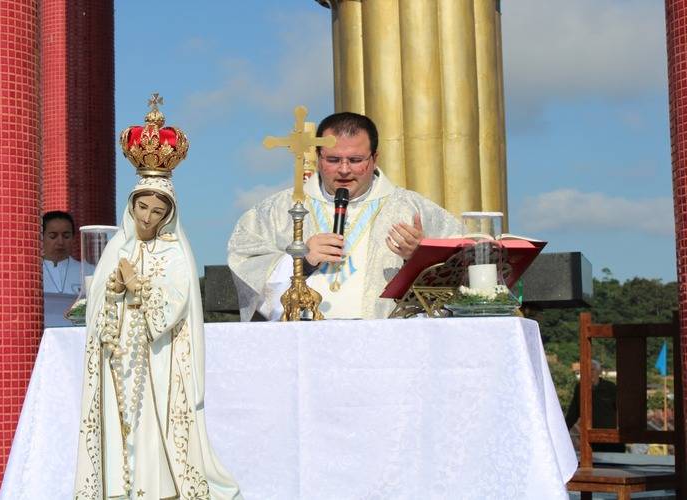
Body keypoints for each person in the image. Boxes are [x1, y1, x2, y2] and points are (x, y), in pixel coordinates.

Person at [74, 102, 241, 499]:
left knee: (152, 426)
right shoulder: (116, 248)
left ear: (169, 213)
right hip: (118, 360)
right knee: (120, 425)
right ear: (131, 206)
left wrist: (137, 286)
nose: (148, 217)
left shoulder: (174, 252)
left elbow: (170, 309)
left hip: (158, 361)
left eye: (157, 209)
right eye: (142, 207)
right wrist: (112, 294)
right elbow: (95, 304)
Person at [228, 112, 463, 320]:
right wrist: (301, 261)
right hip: (303, 339)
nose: (343, 169)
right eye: (333, 160)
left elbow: (464, 258)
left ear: (374, 159)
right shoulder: (278, 210)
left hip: (383, 342)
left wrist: (420, 256)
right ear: (319, 157)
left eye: (355, 160)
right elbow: (244, 261)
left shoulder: (412, 209)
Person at [565, 360, 625, 452]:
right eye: (586, 370)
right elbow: (573, 412)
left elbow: (622, 410)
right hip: (589, 437)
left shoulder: (610, 388)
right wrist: (564, 430)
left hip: (609, 436)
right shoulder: (580, 388)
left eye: (592, 370)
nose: (589, 373)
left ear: (599, 372)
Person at [42, 211, 83, 295]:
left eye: (66, 236)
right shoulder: (31, 273)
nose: (60, 242)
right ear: (41, 237)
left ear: (73, 238)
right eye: (53, 236)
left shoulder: (87, 271)